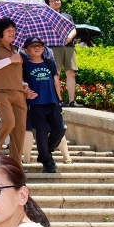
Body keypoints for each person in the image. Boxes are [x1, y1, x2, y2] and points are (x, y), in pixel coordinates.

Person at [0, 18, 29, 162]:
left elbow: (14, 72)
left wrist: (23, 84)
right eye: (8, 30)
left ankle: (16, 165)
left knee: (19, 130)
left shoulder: (16, 49)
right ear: (0, 31)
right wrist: (10, 59)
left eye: (14, 30)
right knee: (7, 122)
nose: (12, 32)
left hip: (18, 93)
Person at [22, 36, 65, 174]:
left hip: (52, 101)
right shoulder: (24, 65)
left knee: (60, 128)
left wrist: (59, 99)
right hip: (35, 104)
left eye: (39, 45)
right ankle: (48, 163)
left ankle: (45, 152)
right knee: (41, 133)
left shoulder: (49, 62)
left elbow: (56, 81)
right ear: (26, 50)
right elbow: (20, 82)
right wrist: (26, 93)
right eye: (33, 46)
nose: (37, 48)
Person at [46, 0, 79, 108]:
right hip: (54, 47)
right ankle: (58, 99)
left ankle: (71, 101)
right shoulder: (47, 16)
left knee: (71, 73)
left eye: (57, 0)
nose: (56, 2)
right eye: (52, 0)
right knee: (56, 73)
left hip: (69, 46)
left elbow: (73, 29)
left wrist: (69, 38)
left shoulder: (67, 16)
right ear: (48, 3)